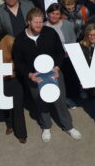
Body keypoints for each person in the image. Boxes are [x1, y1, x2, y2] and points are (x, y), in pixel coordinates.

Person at [11, 8, 82, 142]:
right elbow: (18, 62)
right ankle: (46, 127)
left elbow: (59, 52)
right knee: (41, 103)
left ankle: (68, 126)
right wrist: (29, 74)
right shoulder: (20, 40)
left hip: (53, 73)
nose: (39, 25)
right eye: (36, 22)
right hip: (35, 77)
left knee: (60, 101)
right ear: (28, 22)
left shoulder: (50, 32)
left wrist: (57, 67)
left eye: (41, 22)